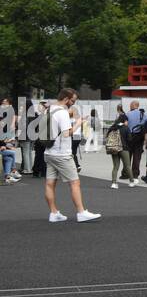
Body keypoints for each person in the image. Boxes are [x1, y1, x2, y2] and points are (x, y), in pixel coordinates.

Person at [42, 89, 100, 223]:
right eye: (73, 101)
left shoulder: (48, 110)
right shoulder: (62, 112)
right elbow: (67, 133)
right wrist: (78, 124)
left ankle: (54, 212)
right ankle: (81, 212)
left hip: (49, 151)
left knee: (50, 184)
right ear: (67, 99)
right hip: (62, 153)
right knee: (75, 182)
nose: (73, 103)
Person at [104, 106, 133, 189]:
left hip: (114, 149)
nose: (127, 122)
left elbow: (107, 137)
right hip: (124, 149)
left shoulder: (112, 128)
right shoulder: (125, 128)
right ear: (125, 120)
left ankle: (114, 183)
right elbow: (129, 139)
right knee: (127, 166)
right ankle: (131, 181)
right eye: (127, 121)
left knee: (115, 166)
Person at [125, 100, 147, 182]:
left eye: (130, 105)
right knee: (137, 157)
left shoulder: (128, 114)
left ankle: (126, 173)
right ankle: (135, 174)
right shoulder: (143, 115)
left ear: (134, 105)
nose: (130, 106)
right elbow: (146, 126)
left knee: (128, 156)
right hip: (139, 137)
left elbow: (124, 125)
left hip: (130, 137)